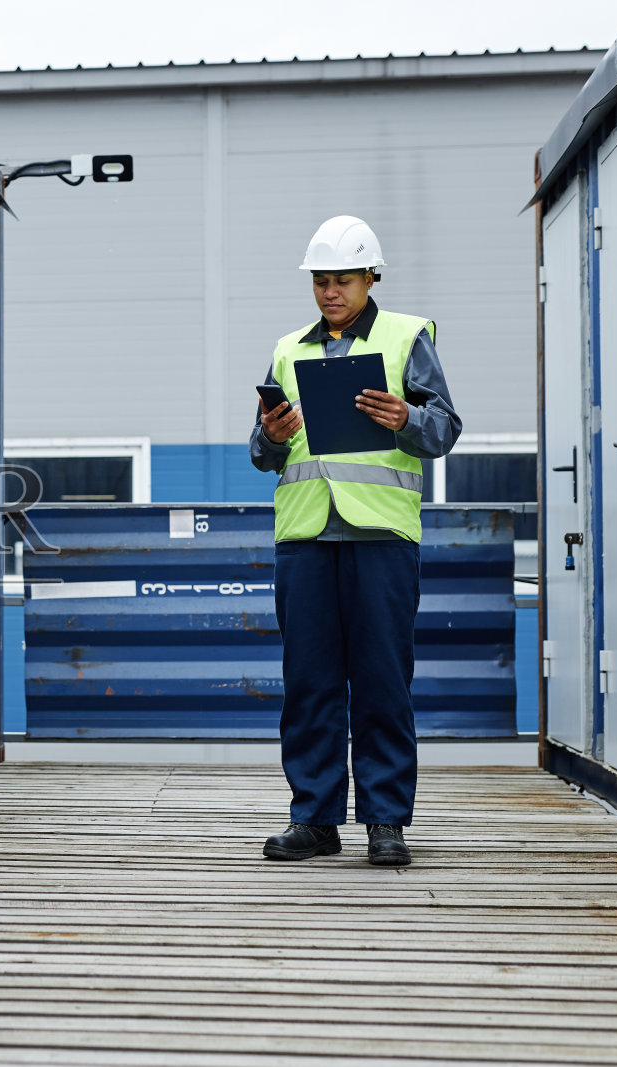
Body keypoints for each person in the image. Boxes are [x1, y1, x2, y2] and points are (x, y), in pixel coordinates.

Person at [248, 215, 461, 867]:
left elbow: (443, 429)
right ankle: (314, 819)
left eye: (343, 279)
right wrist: (272, 436)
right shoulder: (288, 349)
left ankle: (385, 820)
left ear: (372, 277)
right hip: (306, 537)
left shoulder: (406, 337)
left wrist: (407, 417)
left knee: (382, 682)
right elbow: (261, 451)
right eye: (320, 280)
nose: (330, 291)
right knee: (308, 684)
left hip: (381, 538)